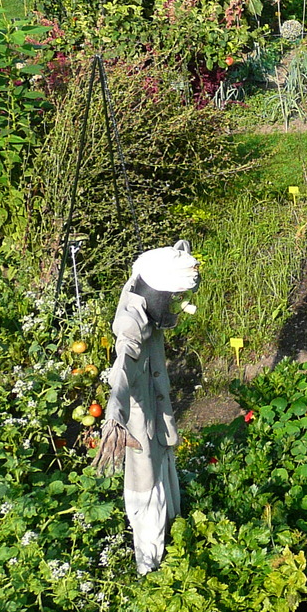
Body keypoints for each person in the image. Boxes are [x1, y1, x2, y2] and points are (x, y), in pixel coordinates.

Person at [96, 242, 201, 573]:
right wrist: (114, 414)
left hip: (158, 422)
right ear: (156, 291)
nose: (173, 305)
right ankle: (149, 568)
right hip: (141, 431)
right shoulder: (130, 325)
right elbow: (121, 375)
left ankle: (172, 540)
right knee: (147, 493)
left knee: (164, 478)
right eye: (171, 298)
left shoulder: (146, 303)